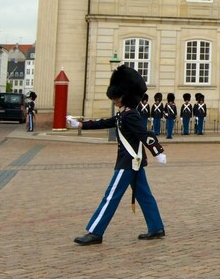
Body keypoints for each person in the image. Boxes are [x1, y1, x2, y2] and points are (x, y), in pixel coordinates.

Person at [67, 65, 167, 245]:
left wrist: (157, 151)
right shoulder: (124, 114)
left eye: (117, 97)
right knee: (144, 196)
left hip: (128, 162)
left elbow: (145, 135)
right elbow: (104, 122)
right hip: (133, 162)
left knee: (111, 196)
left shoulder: (131, 116)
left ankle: (95, 231)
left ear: (125, 96)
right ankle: (156, 227)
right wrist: (81, 125)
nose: (114, 100)